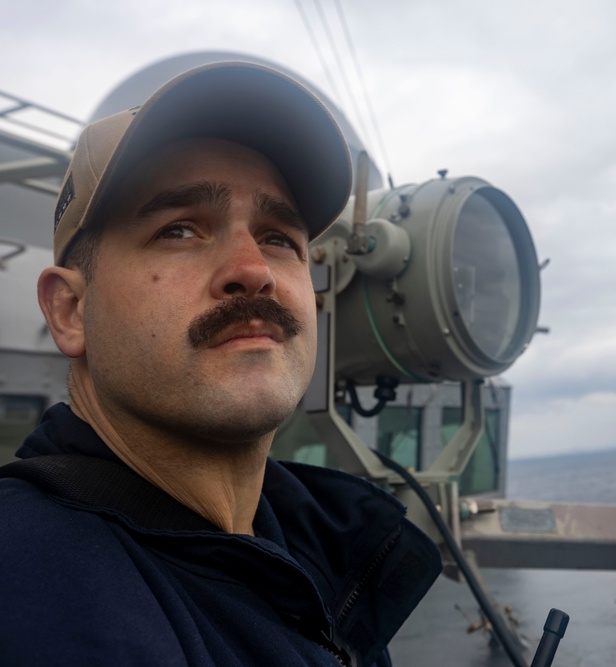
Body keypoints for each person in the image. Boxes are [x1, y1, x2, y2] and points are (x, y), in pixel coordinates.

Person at [0, 62, 441, 666]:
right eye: (179, 230)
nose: (253, 269)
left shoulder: (319, 545)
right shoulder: (34, 590)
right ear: (71, 310)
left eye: (278, 237)